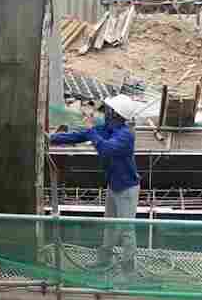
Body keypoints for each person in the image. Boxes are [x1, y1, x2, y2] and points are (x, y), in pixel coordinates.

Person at [49, 96, 142, 274]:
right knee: (109, 225)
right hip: (114, 185)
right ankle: (104, 260)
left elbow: (106, 150)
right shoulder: (108, 128)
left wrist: (91, 130)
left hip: (127, 189)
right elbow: (80, 135)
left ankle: (129, 269)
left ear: (115, 113)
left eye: (108, 109)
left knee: (126, 230)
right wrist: (52, 138)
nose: (104, 111)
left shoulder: (125, 136)